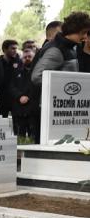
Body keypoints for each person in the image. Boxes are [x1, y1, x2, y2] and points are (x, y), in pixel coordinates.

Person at [30, 12, 90, 142]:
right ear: (74, 30)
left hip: (64, 110)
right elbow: (37, 76)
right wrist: (62, 88)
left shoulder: (70, 47)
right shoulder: (56, 50)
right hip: (52, 112)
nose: (85, 36)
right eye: (83, 32)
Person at [10, 47, 36, 138]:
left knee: (33, 136)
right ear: (21, 59)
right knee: (19, 136)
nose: (27, 58)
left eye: (29, 56)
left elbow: (37, 86)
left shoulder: (37, 71)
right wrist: (20, 96)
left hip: (32, 107)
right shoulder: (16, 71)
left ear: (34, 58)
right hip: (18, 107)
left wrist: (28, 96)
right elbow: (11, 87)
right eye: (25, 57)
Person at [0, 39, 22, 118]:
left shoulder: (19, 62)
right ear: (5, 49)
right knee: (1, 120)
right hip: (2, 98)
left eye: (16, 48)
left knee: (17, 121)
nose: (15, 51)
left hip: (15, 98)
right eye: (13, 48)